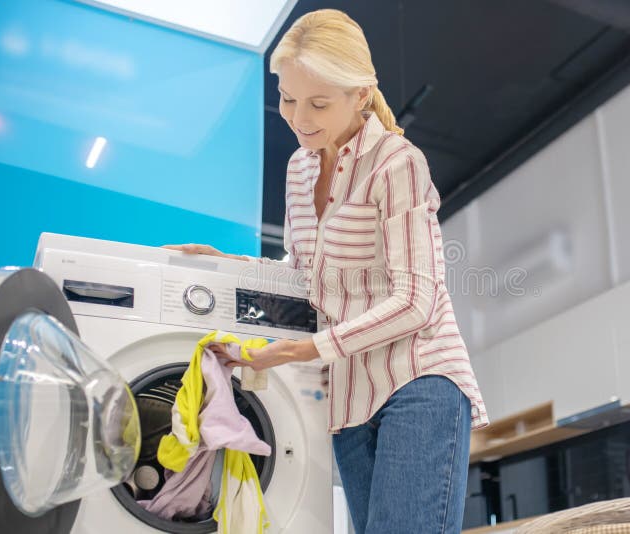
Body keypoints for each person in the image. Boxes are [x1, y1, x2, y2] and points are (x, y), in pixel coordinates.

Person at [166, 9, 488, 533]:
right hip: (348, 395)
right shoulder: (301, 167)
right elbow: (305, 277)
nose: (298, 117)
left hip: (419, 378)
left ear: (360, 95)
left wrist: (307, 348)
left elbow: (417, 300)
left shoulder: (397, 163)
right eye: (288, 99)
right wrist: (234, 268)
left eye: (318, 103)